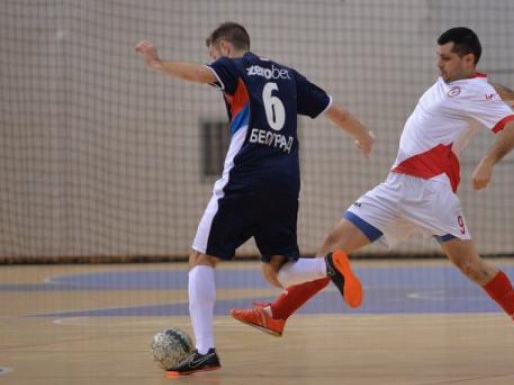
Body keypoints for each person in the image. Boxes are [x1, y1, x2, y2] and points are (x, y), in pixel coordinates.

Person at [230, 26, 514, 362]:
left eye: (446, 58)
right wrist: (512, 91)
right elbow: (488, 85)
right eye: (438, 57)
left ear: (467, 59)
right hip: (395, 187)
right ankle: (277, 315)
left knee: (471, 266)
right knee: (332, 249)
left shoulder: (476, 92)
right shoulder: (461, 83)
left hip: (431, 192)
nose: (439, 64)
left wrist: (487, 163)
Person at [134, 22, 375, 375]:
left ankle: (205, 350)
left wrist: (160, 64)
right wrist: (364, 136)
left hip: (247, 174)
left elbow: (201, 75)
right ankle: (328, 266)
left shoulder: (235, 67)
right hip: (286, 179)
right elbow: (335, 112)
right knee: (277, 269)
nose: (213, 62)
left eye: (213, 55)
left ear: (224, 47)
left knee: (201, 258)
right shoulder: (289, 76)